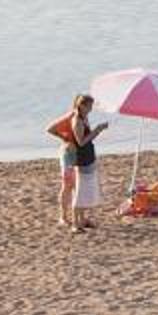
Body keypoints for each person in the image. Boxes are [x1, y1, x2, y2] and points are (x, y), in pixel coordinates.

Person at [48, 93, 106, 231]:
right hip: (69, 154)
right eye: (89, 105)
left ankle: (81, 219)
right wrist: (65, 139)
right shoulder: (72, 116)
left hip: (79, 154)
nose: (92, 108)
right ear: (81, 105)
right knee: (68, 185)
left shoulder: (85, 117)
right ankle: (63, 217)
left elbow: (84, 136)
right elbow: (50, 129)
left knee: (78, 186)